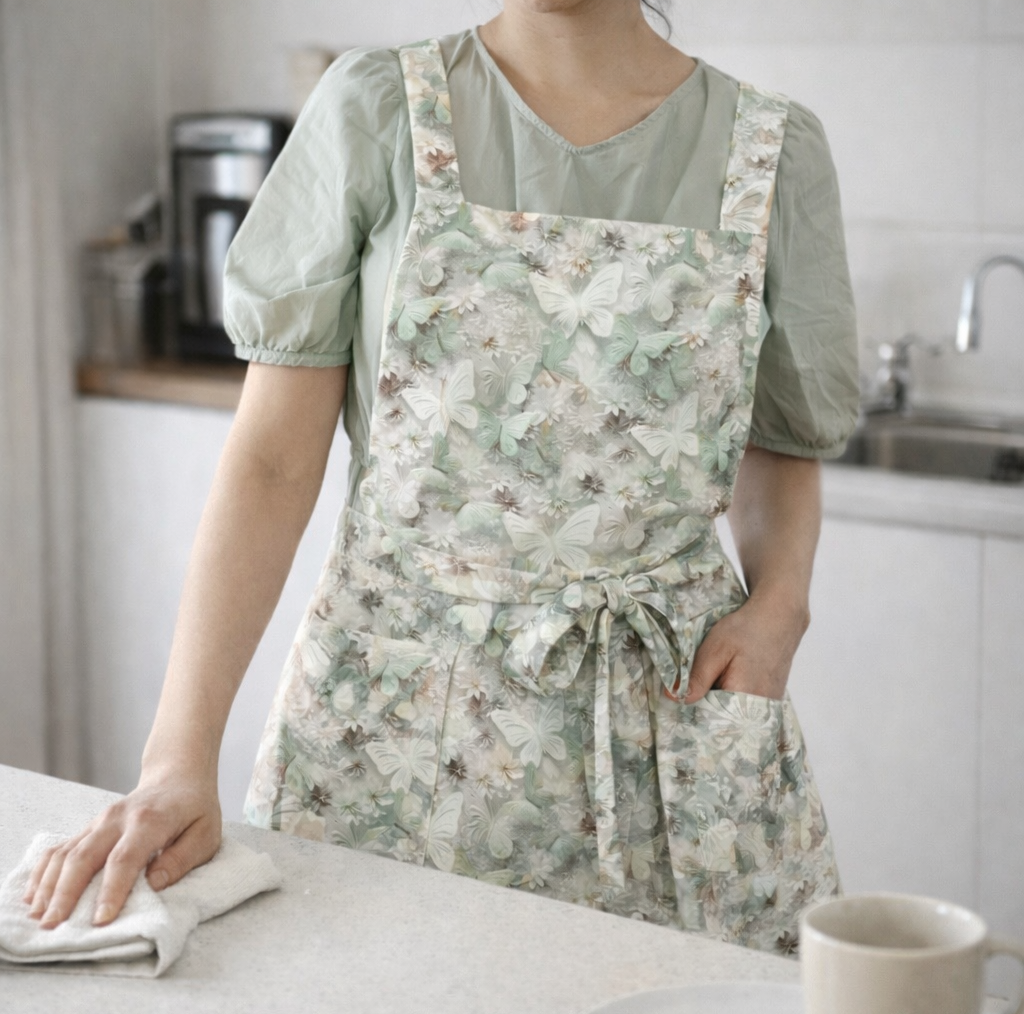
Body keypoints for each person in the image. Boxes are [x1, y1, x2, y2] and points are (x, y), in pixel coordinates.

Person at [23, 0, 859, 955]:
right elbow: (270, 460)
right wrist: (177, 758)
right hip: (394, 723)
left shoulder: (773, 149)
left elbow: (787, 434)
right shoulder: (380, 107)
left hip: (668, 732)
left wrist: (781, 601)